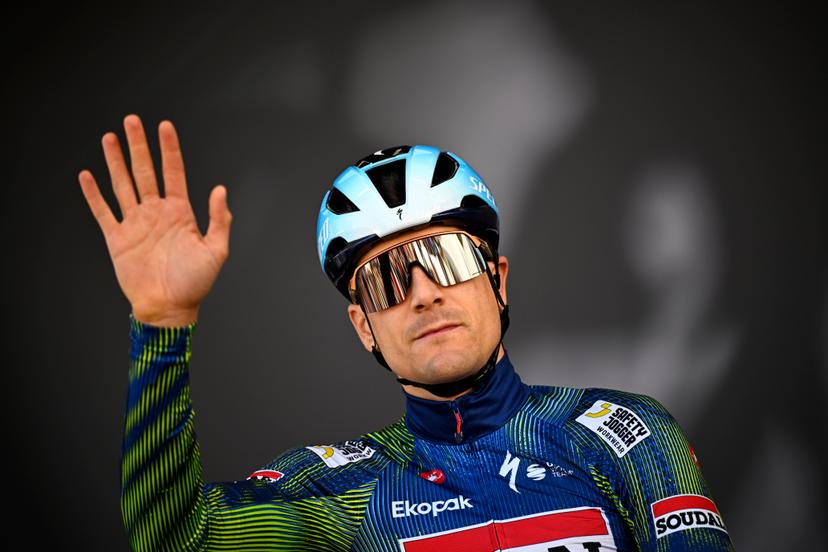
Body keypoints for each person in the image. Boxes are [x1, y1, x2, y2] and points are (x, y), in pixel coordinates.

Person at [79, 114, 735, 551]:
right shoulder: (338, 491)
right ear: (364, 327)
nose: (424, 293)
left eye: (448, 260)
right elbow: (176, 538)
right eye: (389, 281)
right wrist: (163, 325)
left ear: (498, 280)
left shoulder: (624, 434)